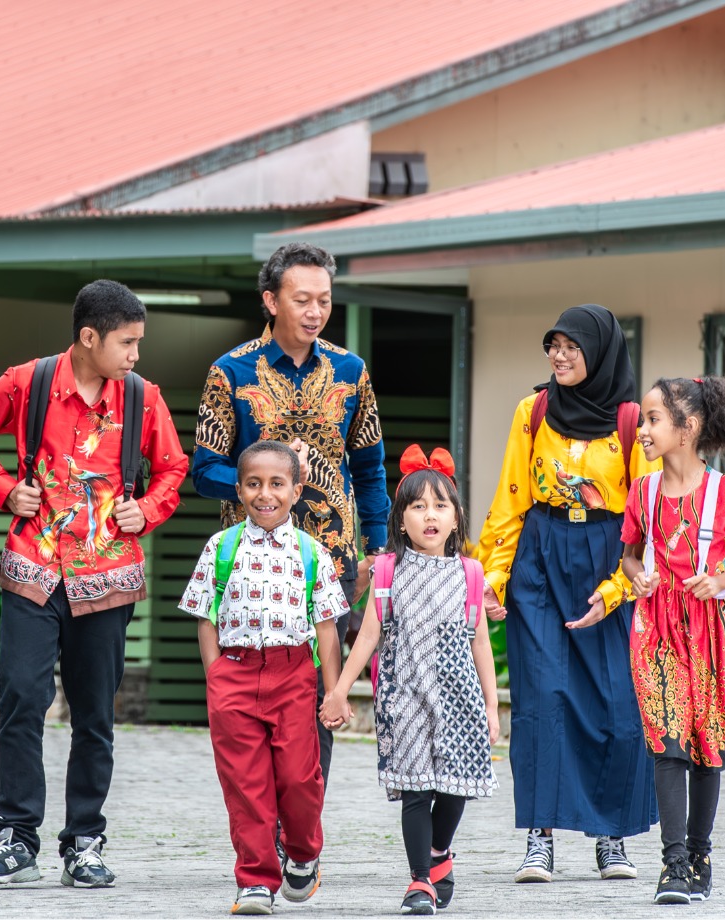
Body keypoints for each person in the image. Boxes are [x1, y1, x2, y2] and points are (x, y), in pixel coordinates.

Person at [0, 280, 189, 889]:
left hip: (108, 575)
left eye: (140, 342)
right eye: (128, 342)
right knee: (23, 701)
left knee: (94, 715)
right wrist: (4, 489)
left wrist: (151, 509)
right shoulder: (27, 382)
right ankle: (15, 837)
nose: (137, 353)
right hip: (33, 568)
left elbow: (173, 468)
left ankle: (84, 841)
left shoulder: (143, 397)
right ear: (89, 338)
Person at [193, 241, 391, 781]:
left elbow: (370, 469)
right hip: (252, 562)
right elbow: (204, 471)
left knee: (322, 692)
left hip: (332, 557)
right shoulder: (229, 372)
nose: (315, 312)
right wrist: (259, 480)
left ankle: (304, 839)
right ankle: (267, 821)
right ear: (270, 300)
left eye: (324, 301)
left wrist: (376, 548)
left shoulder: (352, 371)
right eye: (302, 299)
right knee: (258, 697)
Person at [477, 304, 659, 883]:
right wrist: (490, 579)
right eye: (552, 345)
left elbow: (644, 521)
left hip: (609, 558)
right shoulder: (532, 412)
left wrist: (614, 591)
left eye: (571, 346)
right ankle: (540, 836)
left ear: (600, 351)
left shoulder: (633, 421)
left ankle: (613, 838)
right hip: (541, 557)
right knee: (541, 699)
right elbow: (510, 499)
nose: (559, 356)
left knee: (617, 703)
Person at [618, 376, 725, 905]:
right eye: (644, 419)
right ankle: (673, 865)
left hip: (712, 632)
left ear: (688, 429)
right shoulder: (641, 492)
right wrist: (637, 574)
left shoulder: (724, 492)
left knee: (707, 750)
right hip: (657, 630)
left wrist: (720, 581)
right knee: (668, 746)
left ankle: (700, 852)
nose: (642, 429)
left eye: (653, 419)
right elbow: (630, 553)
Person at [320, 445, 499, 916]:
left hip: (460, 697)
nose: (430, 516)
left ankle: (440, 851)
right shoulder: (387, 571)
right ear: (401, 521)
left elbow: (480, 641)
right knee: (417, 789)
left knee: (457, 786)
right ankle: (419, 880)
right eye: (418, 507)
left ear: (456, 519)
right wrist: (338, 689)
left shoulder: (471, 574)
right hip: (405, 697)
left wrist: (490, 704)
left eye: (441, 506)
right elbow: (369, 638)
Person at [179, 441, 349, 915]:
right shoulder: (222, 546)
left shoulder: (311, 551)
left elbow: (327, 626)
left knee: (299, 778)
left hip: (294, 672)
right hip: (234, 674)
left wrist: (333, 691)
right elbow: (206, 616)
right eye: (253, 484)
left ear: (296, 490)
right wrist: (216, 676)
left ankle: (302, 851)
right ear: (238, 490)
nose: (264, 494)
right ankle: (254, 879)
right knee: (245, 783)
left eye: (277, 484)